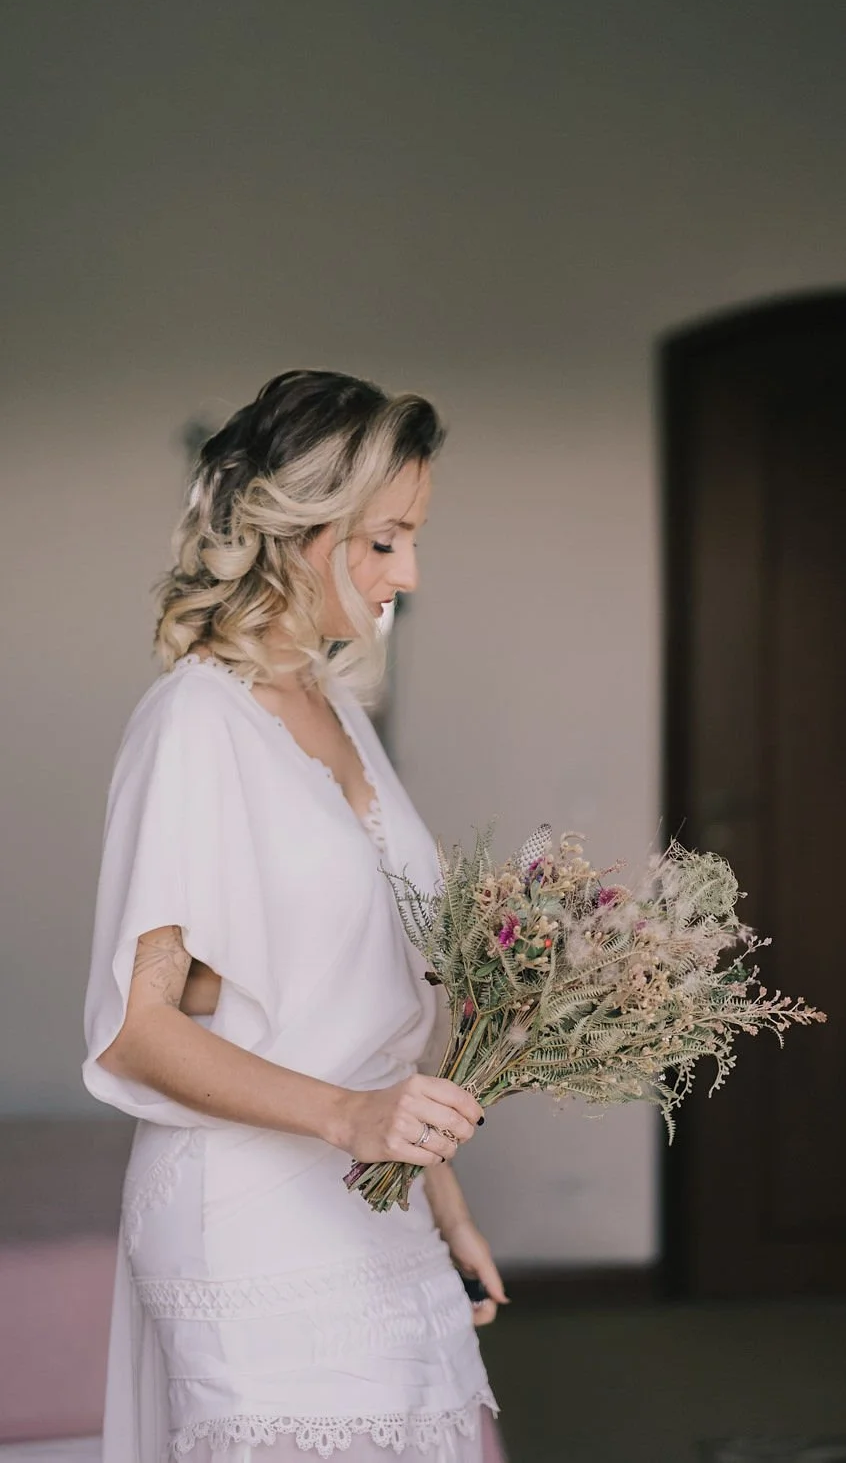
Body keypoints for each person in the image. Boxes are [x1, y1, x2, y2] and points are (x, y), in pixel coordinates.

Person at [82, 370, 508, 1462]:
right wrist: (348, 1121)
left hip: (384, 1216)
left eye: (412, 537)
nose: (409, 572)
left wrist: (443, 1202)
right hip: (251, 1228)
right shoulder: (194, 723)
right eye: (384, 540)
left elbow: (377, 1012)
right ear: (294, 531)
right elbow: (141, 1026)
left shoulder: (341, 716)